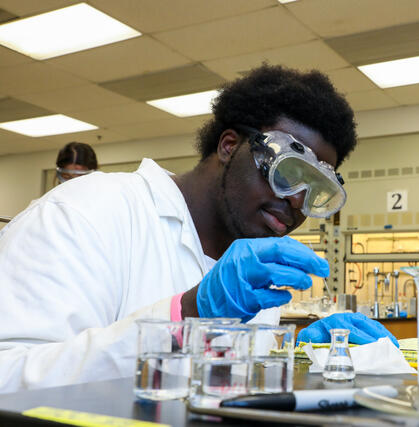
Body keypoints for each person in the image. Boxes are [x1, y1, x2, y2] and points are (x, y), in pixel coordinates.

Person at [0, 65, 396, 393]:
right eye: (287, 173)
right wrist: (187, 315)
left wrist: (295, 360)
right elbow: (9, 375)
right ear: (229, 146)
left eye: (314, 193)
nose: (295, 202)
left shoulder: (251, 275)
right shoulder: (87, 213)